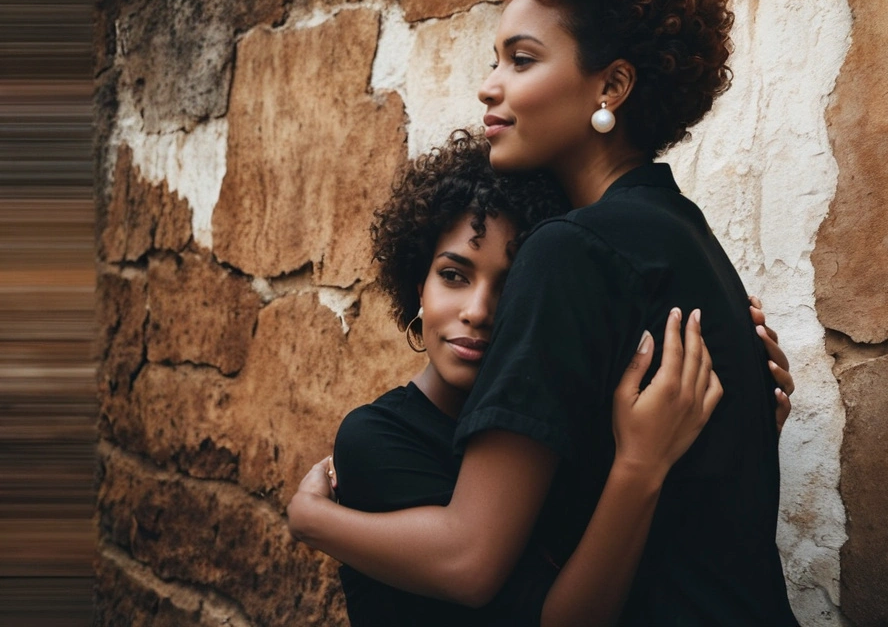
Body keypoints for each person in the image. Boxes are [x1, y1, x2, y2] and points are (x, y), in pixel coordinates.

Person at [289, 0, 800, 624]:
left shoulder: (570, 250)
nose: (489, 87)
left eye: (521, 61)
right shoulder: (682, 235)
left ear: (611, 88)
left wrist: (311, 519)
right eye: (496, 60)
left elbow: (471, 559)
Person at [289, 132, 793, 626]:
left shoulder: (564, 432)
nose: (479, 310)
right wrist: (637, 468)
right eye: (454, 275)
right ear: (417, 283)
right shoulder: (376, 439)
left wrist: (735, 411)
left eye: (511, 286)